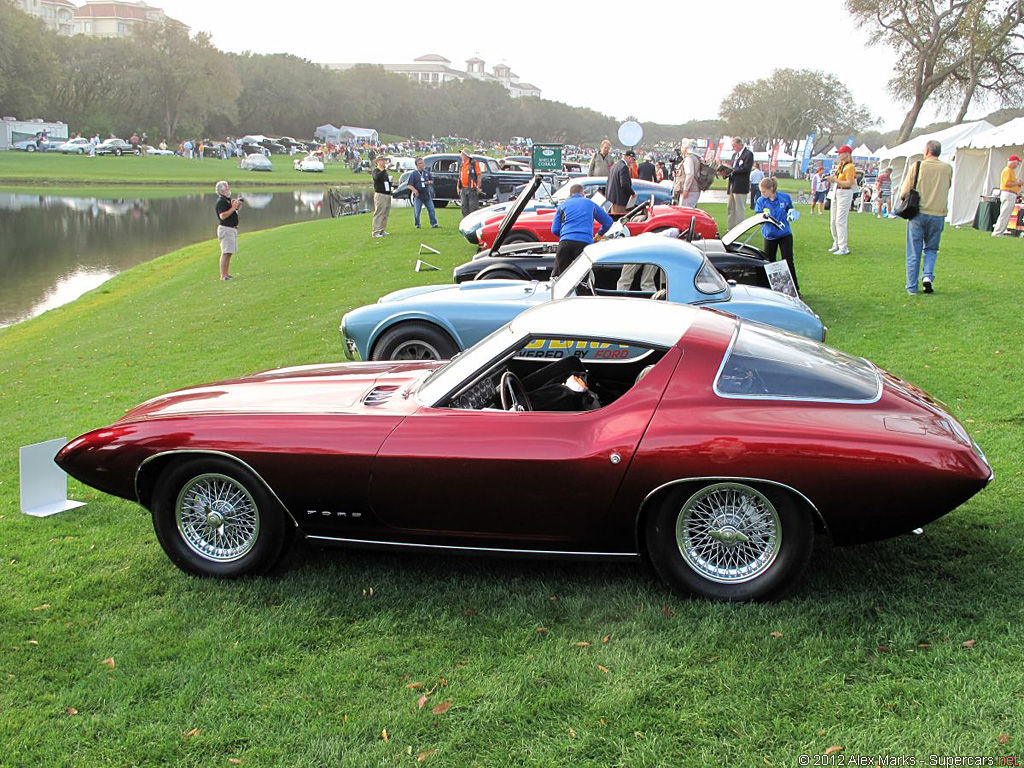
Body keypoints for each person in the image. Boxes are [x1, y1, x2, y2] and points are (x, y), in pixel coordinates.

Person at [900, 140, 952, 295]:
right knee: (931, 249)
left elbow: (904, 191)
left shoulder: (918, 166)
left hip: (919, 213)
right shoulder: (947, 168)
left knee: (913, 252)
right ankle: (927, 276)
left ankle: (911, 287)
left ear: (927, 151)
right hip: (938, 214)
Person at [550, 183, 614, 277]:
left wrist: (566, 235)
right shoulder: (590, 203)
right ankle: (582, 290)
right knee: (582, 276)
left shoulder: (563, 205)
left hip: (565, 242)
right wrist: (600, 234)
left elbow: (554, 229)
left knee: (558, 276)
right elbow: (608, 222)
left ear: (570, 194)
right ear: (583, 193)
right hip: (585, 243)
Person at [754, 176, 799, 293]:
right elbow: (758, 216)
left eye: (764, 191)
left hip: (784, 234)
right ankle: (770, 290)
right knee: (769, 262)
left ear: (771, 188)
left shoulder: (785, 198)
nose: (762, 193)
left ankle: (795, 289)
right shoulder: (761, 201)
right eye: (761, 191)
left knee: (788, 260)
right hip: (769, 235)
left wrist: (792, 215)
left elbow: (791, 210)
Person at [827, 145, 857, 255]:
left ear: (846, 154)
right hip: (837, 191)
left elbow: (850, 183)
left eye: (841, 153)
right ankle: (836, 242)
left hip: (844, 192)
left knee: (840, 220)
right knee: (833, 220)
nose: (839, 155)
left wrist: (835, 180)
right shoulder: (841, 165)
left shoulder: (849, 167)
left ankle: (843, 246)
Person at [214, 180, 243, 281]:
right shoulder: (221, 201)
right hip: (225, 229)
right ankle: (223, 275)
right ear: (222, 190)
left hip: (231, 229)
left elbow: (232, 211)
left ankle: (226, 274)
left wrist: (236, 206)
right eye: (226, 187)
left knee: (229, 252)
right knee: (225, 252)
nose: (228, 189)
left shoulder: (227, 200)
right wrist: (233, 207)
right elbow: (223, 216)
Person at [723, 138, 754, 229]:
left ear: (740, 144)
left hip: (740, 185)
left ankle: (740, 229)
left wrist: (732, 170)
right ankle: (730, 228)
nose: (733, 148)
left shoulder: (748, 154)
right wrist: (725, 172)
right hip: (732, 185)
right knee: (730, 208)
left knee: (739, 209)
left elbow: (746, 169)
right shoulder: (734, 155)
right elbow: (732, 169)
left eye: (734, 146)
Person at [992, 155, 1021, 236]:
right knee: (1004, 214)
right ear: (1013, 162)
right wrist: (1017, 183)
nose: (1018, 165)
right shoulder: (1007, 171)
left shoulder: (1011, 171)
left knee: (1005, 214)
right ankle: (997, 232)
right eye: (1017, 163)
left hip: (1010, 194)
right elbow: (1007, 184)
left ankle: (1001, 231)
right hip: (1008, 194)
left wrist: (1017, 184)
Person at [409, 157, 439, 229]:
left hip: (427, 195)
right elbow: (409, 185)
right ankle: (417, 224)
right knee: (417, 211)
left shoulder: (426, 173)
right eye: (420, 163)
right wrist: (414, 190)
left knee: (431, 209)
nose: (422, 165)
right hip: (418, 195)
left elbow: (432, 181)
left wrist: (428, 182)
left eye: (423, 163)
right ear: (417, 165)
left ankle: (434, 223)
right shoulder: (414, 174)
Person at [606, 150, 635, 215]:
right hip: (620, 199)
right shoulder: (624, 167)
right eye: (633, 159)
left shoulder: (614, 165)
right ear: (629, 157)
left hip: (613, 199)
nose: (633, 162)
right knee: (620, 219)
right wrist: (632, 193)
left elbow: (608, 182)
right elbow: (624, 184)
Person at [674, 139, 701, 208]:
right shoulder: (696, 158)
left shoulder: (689, 159)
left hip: (690, 190)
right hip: (694, 189)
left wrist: (686, 189)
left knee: (685, 210)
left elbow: (689, 174)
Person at [371, 155, 392, 237]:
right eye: (382, 160)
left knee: (385, 213)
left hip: (386, 193)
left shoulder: (385, 172)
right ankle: (375, 231)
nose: (384, 162)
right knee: (379, 212)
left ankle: (382, 229)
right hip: (380, 194)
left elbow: (385, 182)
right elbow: (377, 177)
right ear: (377, 162)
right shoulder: (376, 171)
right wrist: (384, 169)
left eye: (384, 160)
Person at [457, 149, 482, 216]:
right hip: (463, 188)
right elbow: (460, 176)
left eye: (462, 155)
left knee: (473, 207)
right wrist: (458, 186)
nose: (461, 156)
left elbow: (479, 175)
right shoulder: (462, 164)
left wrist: (478, 186)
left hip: (472, 188)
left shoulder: (474, 163)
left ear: (466, 156)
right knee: (464, 207)